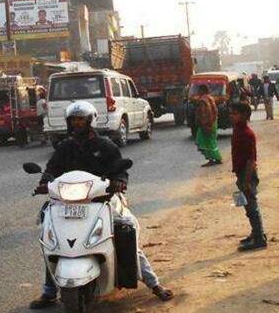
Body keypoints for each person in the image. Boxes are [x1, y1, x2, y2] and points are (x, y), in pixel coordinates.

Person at [29, 101, 173, 309]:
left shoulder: (105, 146)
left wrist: (119, 181)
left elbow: (120, 169)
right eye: (74, 120)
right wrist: (44, 183)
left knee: (125, 228)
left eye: (81, 119)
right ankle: (49, 290)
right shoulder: (65, 147)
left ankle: (153, 283)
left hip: (102, 199)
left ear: (90, 121)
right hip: (69, 201)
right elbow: (52, 170)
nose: (77, 123)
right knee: (50, 235)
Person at [229, 102, 267, 251]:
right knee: (248, 205)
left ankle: (259, 238)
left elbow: (251, 160)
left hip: (247, 173)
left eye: (235, 113)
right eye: (231, 113)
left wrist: (246, 180)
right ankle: (256, 233)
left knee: (252, 206)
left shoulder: (247, 134)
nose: (231, 116)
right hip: (241, 172)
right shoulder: (238, 130)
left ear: (244, 115)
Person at [195, 84, 222, 167]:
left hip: (206, 123)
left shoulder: (202, 100)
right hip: (213, 122)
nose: (198, 92)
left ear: (202, 90)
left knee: (205, 142)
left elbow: (204, 113)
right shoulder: (210, 98)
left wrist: (204, 124)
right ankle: (217, 158)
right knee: (212, 141)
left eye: (199, 90)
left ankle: (211, 159)